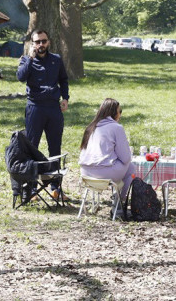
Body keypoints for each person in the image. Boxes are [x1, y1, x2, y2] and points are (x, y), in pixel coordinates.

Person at [17, 29, 70, 198]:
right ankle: (30, 188)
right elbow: (20, 77)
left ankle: (56, 187)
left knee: (55, 147)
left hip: (53, 108)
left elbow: (63, 79)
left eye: (44, 41)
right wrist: (31, 58)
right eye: (37, 41)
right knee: (32, 147)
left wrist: (65, 98)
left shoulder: (56, 60)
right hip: (35, 107)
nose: (41, 44)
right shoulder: (26, 60)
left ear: (49, 42)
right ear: (32, 43)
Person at [79, 98, 134, 205]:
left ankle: (104, 201)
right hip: (105, 174)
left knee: (121, 165)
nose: (120, 114)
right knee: (131, 167)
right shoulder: (116, 128)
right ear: (114, 113)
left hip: (85, 174)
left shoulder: (90, 127)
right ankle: (119, 201)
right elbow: (126, 158)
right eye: (119, 111)